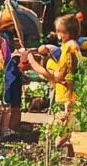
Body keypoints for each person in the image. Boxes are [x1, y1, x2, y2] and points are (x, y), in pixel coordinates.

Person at [26, 13, 79, 141]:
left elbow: (60, 76)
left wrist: (35, 64)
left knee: (65, 126)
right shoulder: (66, 46)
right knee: (65, 124)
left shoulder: (69, 47)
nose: (59, 35)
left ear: (70, 32)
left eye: (62, 32)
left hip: (67, 93)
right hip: (64, 92)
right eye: (58, 31)